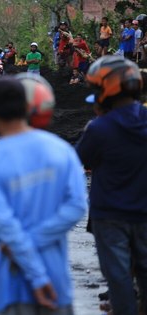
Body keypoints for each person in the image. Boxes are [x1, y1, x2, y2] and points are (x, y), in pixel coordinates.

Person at [0, 76, 87, 315]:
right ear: (28, 107)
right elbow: (76, 206)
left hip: (8, 284)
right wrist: (37, 244)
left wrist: (36, 277)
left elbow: (6, 227)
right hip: (56, 281)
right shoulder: (61, 150)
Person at [76, 56, 147, 315]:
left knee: (118, 278)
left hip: (110, 216)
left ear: (107, 91)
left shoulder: (99, 129)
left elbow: (77, 162)